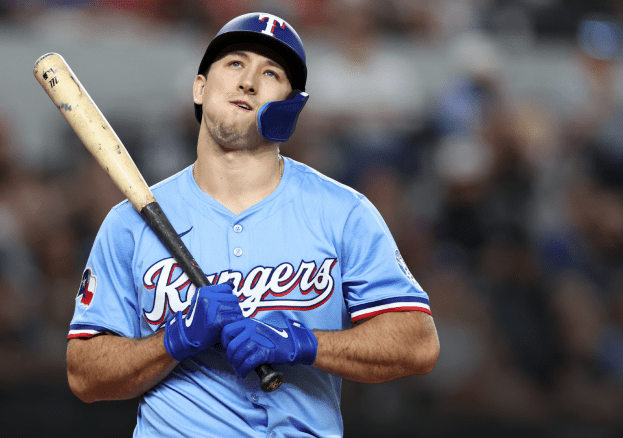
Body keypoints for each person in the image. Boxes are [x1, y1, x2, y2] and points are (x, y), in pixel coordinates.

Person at [66, 12, 439, 437]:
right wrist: (174, 340)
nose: (248, 81)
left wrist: (304, 342)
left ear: (290, 106)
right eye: (235, 63)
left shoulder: (342, 211)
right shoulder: (129, 223)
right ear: (200, 87)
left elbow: (417, 342)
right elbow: (84, 375)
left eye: (271, 72)